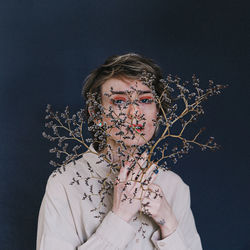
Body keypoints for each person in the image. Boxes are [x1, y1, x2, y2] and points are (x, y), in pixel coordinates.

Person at [36, 53, 203, 249]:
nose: (135, 113)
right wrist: (119, 217)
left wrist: (168, 223)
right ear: (96, 113)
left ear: (158, 112)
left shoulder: (174, 187)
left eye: (146, 100)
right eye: (120, 102)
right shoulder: (65, 184)